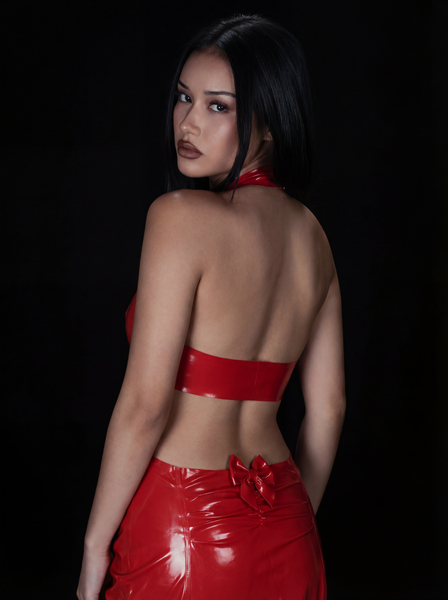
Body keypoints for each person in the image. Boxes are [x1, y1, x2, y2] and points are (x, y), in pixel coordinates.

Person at [77, 14, 345, 600]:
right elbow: (328, 409)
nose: (188, 122)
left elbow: (146, 405)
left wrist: (96, 545)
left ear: (268, 124)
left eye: (218, 106)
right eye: (184, 98)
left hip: (184, 528)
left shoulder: (179, 217)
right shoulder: (315, 238)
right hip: (290, 523)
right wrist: (291, 520)